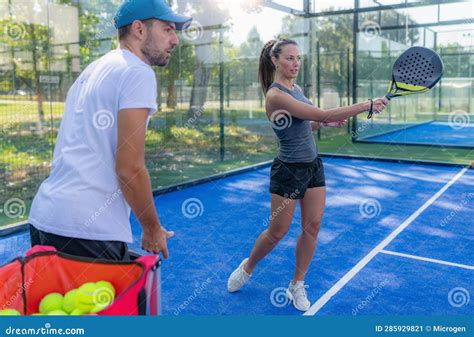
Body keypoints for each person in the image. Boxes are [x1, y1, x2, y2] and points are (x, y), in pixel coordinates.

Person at [227, 39, 389, 311]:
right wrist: (366, 105)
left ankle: (297, 284)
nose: (295, 64)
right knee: (277, 232)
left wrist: (323, 123)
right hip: (288, 171)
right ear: (275, 60)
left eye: (298, 58)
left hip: (313, 166)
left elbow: (306, 123)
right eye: (289, 58)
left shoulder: (296, 89)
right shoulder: (276, 95)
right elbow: (321, 111)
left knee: (312, 228)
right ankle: (248, 266)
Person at [28, 0, 192, 261]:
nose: (175, 40)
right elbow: (130, 168)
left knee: (54, 303)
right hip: (87, 231)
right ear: (139, 29)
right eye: (168, 29)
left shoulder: (93, 70)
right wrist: (151, 227)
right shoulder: (138, 72)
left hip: (45, 218)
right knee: (119, 303)